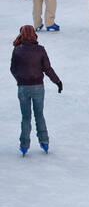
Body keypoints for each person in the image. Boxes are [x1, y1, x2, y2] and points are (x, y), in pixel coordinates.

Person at [10, 24, 60, 155]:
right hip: (38, 87)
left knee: (26, 117)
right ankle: (44, 142)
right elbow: (47, 69)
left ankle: (24, 145)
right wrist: (58, 82)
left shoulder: (17, 50)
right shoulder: (40, 50)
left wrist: (20, 80)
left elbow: (13, 69)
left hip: (22, 89)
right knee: (39, 115)